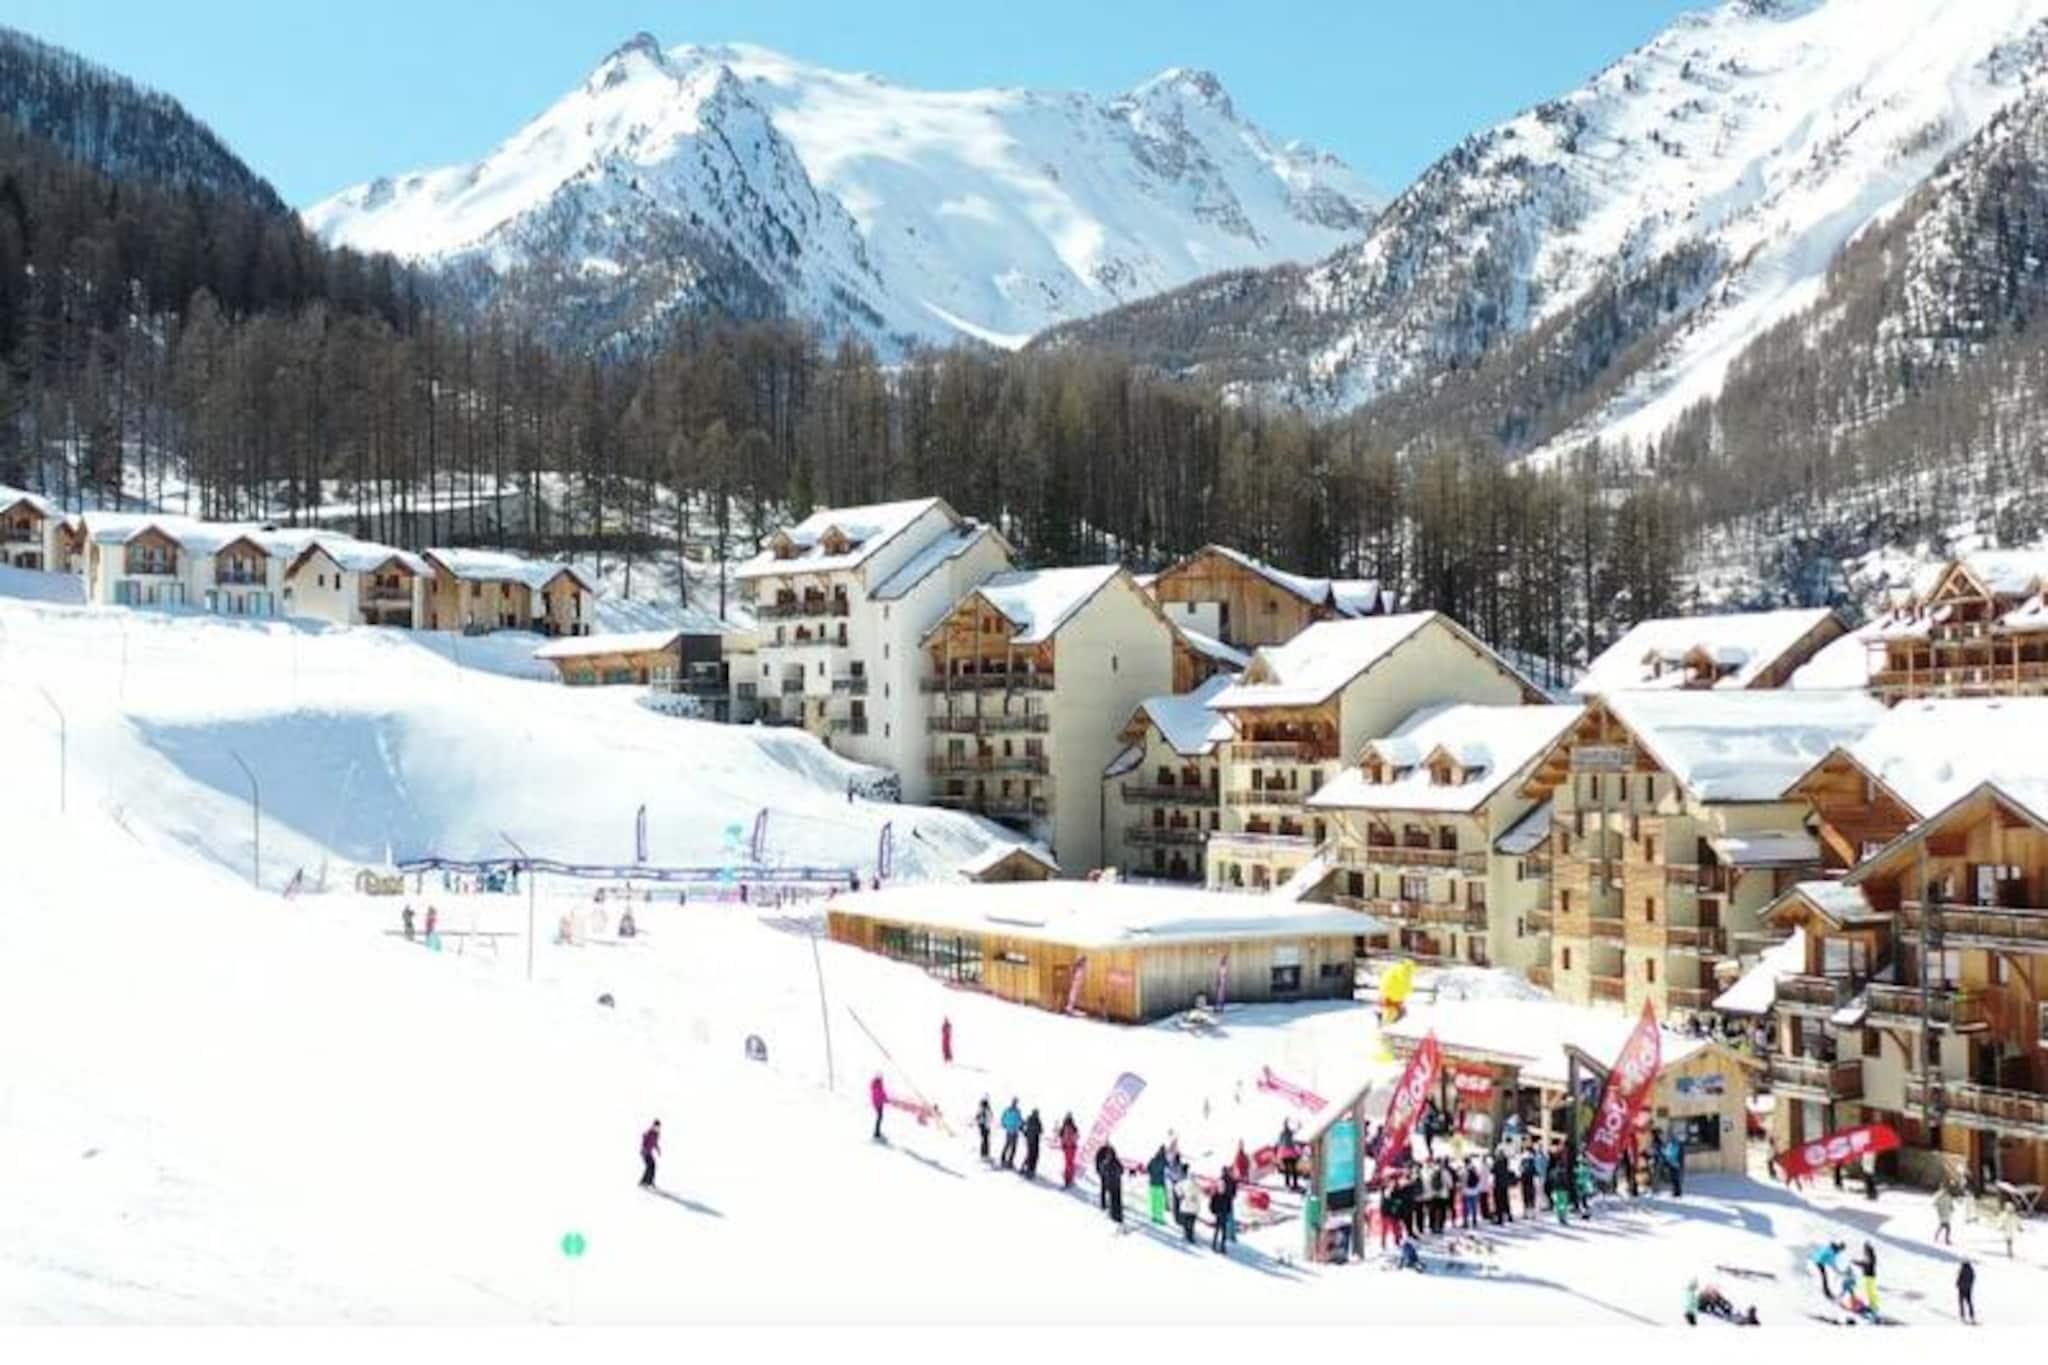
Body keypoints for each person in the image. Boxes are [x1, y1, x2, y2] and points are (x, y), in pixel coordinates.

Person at [1097, 1141, 1125, 1226]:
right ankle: (1113, 1215)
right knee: (1113, 1200)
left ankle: (1118, 1216)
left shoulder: (1114, 1161)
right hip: (1111, 1183)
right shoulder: (1105, 1161)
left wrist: (1117, 1173)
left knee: (1117, 1200)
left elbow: (1122, 1170)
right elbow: (1101, 1169)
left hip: (1116, 1183)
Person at [1146, 1145, 1171, 1225]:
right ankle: (1159, 1219)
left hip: (1152, 1183)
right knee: (1160, 1203)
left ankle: (1153, 1216)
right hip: (1160, 1184)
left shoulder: (1152, 1160)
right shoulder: (1164, 1161)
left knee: (1154, 1201)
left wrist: (1152, 1174)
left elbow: (1148, 1169)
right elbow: (1169, 1169)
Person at [1174, 1168, 1200, 1243]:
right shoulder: (1186, 1183)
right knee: (1189, 1223)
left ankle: (1188, 1236)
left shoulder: (1196, 1185)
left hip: (1190, 1207)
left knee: (1189, 1223)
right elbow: (1176, 1187)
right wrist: (1181, 1195)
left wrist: (1180, 1195)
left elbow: (1199, 1196)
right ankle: (1188, 1236)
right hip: (1188, 1207)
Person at [1491, 1147, 1513, 1226]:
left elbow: (1492, 1171)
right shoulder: (1505, 1162)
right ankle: (1509, 1216)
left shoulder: (1497, 1163)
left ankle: (1500, 1218)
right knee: (1506, 1200)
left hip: (1498, 1184)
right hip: (1505, 1184)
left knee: (1499, 1202)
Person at [1278, 1120, 1302, 1193]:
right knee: (1293, 1170)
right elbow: (1295, 1132)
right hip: (1290, 1153)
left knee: (1287, 1170)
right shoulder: (1289, 1133)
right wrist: (1299, 1126)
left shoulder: (1282, 1134)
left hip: (1284, 1153)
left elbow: (1280, 1143)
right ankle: (1294, 1184)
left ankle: (1288, 1184)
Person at [1058, 1113, 1080, 1188]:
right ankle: (1070, 1179)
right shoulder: (1074, 1127)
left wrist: (1063, 1145)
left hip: (1066, 1147)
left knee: (1067, 1163)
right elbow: (1077, 1137)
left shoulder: (1063, 1127)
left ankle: (1067, 1179)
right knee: (1071, 1163)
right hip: (1072, 1147)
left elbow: (1061, 1137)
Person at [1020, 1109, 1044, 1179]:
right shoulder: (1034, 1120)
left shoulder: (1033, 1120)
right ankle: (1029, 1170)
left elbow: (1040, 1130)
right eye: (1036, 1113)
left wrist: (1025, 1133)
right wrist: (1025, 1133)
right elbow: (1041, 1130)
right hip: (1033, 1140)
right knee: (1032, 1155)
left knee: (1032, 1155)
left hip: (1033, 1140)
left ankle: (1029, 1169)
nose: (1037, 1114)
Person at [999, 1098, 1022, 1168]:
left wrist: (1005, 1125)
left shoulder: (1009, 1110)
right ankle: (1008, 1161)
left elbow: (1003, 1119)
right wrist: (1020, 1125)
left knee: (1008, 1145)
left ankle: (1004, 1159)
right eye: (1015, 1102)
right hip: (1013, 1131)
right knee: (1012, 1147)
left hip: (1011, 1130)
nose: (1015, 1103)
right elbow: (1019, 1120)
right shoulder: (1016, 1111)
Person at [639, 1119, 661, 1188]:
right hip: (645, 1152)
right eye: (655, 1126)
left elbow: (655, 1143)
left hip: (649, 1153)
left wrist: (658, 1150)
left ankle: (649, 1182)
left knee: (652, 1166)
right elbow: (644, 1140)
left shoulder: (656, 1134)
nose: (657, 1128)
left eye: (658, 1127)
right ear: (653, 1126)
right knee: (649, 1166)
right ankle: (644, 1182)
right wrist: (643, 1149)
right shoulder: (649, 1132)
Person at [1460, 1158, 1482, 1230]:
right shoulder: (1474, 1169)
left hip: (1466, 1191)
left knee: (1466, 1208)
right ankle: (1474, 1221)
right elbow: (1478, 1179)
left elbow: (1462, 1181)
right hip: (1474, 1191)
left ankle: (1465, 1222)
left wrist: (1462, 1189)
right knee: (1474, 1207)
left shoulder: (1463, 1171)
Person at [1957, 1258, 1977, 1324]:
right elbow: (1973, 1278)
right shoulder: (1971, 1270)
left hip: (1962, 1288)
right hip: (1969, 1288)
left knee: (1961, 1302)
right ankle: (1972, 1316)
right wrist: (1970, 1286)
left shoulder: (1962, 1269)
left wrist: (1958, 1284)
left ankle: (1962, 1316)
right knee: (1969, 1302)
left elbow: (1960, 1278)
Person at [869, 1075, 888, 1141]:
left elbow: (882, 1093)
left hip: (879, 1103)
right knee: (880, 1117)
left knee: (880, 1117)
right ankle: (876, 1133)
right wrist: (883, 1099)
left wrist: (885, 1098)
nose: (882, 1081)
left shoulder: (878, 1086)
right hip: (878, 1104)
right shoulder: (877, 1087)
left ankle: (877, 1131)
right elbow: (878, 1095)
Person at [974, 1096, 993, 1161]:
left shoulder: (985, 1110)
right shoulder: (982, 1110)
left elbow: (990, 1117)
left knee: (986, 1140)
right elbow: (977, 1118)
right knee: (985, 1141)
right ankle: (984, 1154)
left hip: (985, 1127)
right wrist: (981, 1122)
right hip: (984, 1127)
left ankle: (985, 1154)